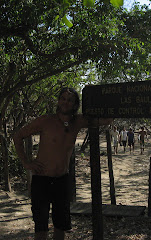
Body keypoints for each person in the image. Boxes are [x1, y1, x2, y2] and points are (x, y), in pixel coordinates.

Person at [13, 87, 112, 240]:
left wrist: (117, 104)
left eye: (70, 100)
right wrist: (27, 162)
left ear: (75, 104)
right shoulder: (46, 121)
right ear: (59, 101)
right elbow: (18, 136)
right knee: (41, 226)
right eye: (63, 98)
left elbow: (105, 120)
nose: (66, 102)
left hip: (62, 180)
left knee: (60, 226)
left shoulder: (78, 121)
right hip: (42, 180)